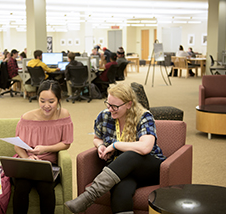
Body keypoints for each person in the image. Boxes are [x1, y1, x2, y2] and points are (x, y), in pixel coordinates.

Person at [64, 83, 166, 213]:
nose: (110, 109)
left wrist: (115, 145)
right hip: (122, 170)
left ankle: (89, 196)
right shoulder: (105, 116)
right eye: (108, 104)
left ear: (129, 104)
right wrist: (100, 146)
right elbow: (97, 138)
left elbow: (145, 147)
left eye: (115, 106)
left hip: (149, 167)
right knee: (121, 190)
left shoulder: (144, 116)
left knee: (131, 154)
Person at [13, 80, 73, 214]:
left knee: (45, 188)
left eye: (51, 101)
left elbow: (66, 143)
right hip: (28, 161)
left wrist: (45, 149)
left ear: (58, 99)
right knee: (21, 187)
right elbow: (18, 147)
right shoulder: (27, 118)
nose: (46, 106)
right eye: (42, 101)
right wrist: (27, 158)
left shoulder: (64, 115)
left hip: (48, 163)